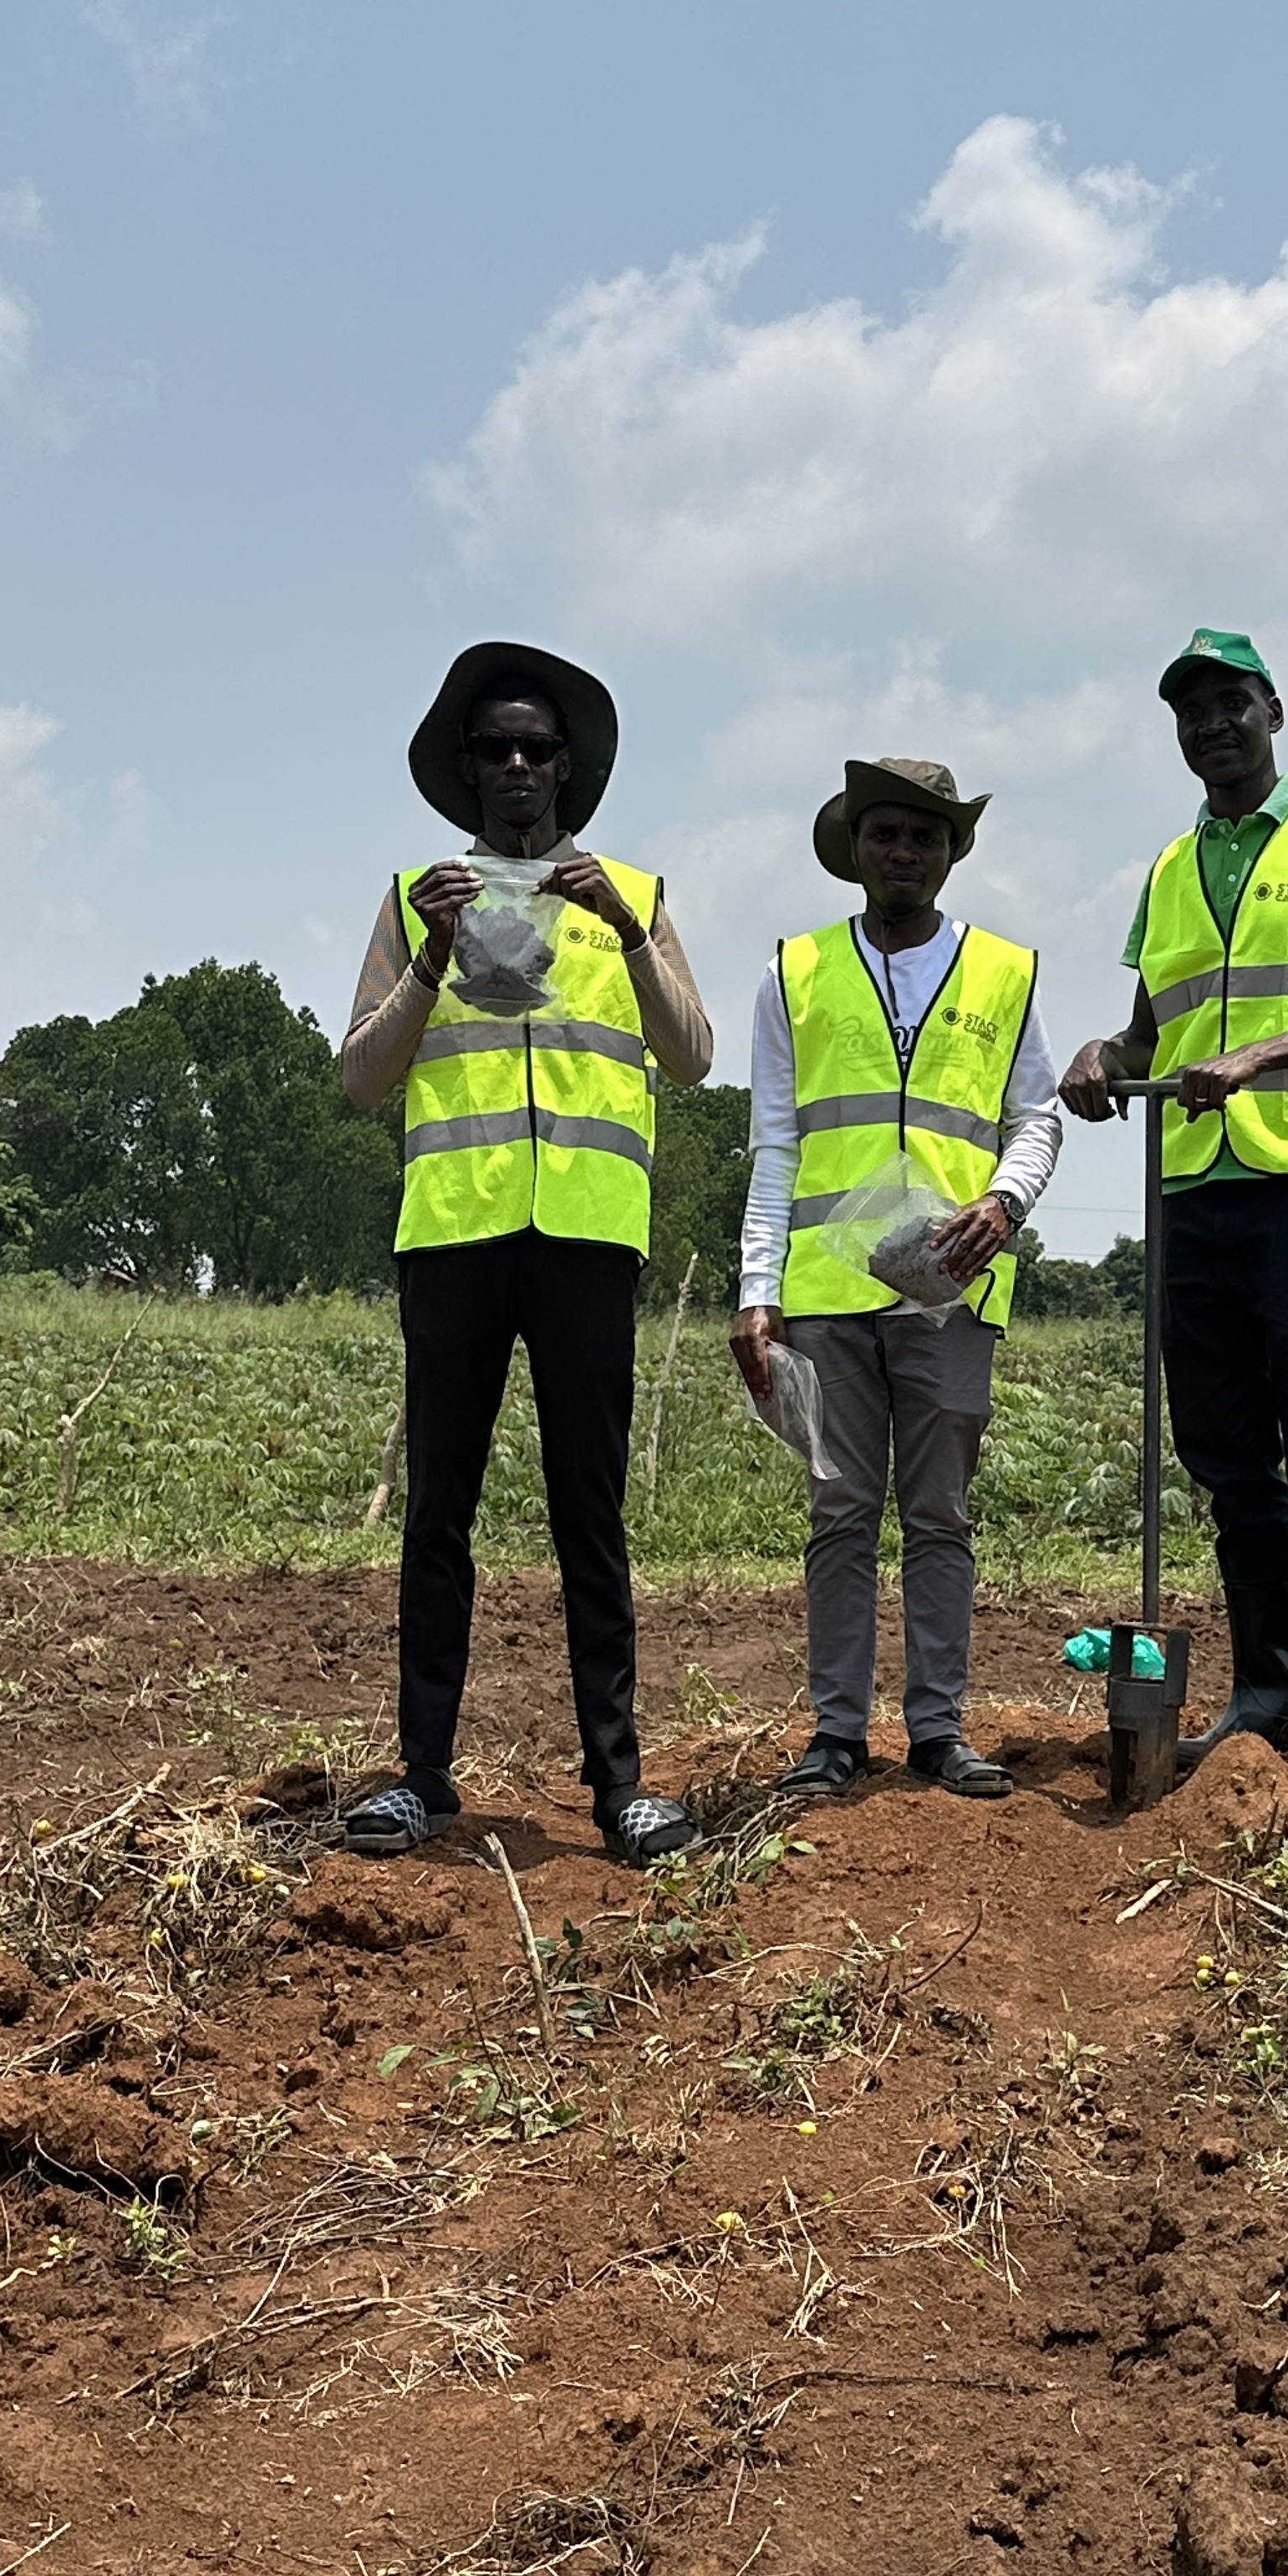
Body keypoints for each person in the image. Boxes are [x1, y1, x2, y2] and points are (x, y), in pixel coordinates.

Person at [339, 640, 713, 1864]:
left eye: (535, 748)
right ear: (466, 770)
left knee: (588, 1515)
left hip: (590, 1240)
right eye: (493, 747)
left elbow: (693, 1053)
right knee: (439, 1511)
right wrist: (435, 959)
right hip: (454, 1235)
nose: (515, 765)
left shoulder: (634, 896)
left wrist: (623, 922)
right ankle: (421, 1776)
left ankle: (619, 1786)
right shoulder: (415, 901)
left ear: (568, 768)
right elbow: (359, 1077)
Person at [1060, 630, 1288, 1812]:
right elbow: (1149, 1037)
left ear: (1274, 710)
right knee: (1224, 1459)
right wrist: (1101, 1061)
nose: (1211, 725)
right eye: (1190, 712)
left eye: (1230, 703)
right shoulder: (1169, 870)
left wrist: (1261, 1056)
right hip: (1192, 1198)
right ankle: (1271, 1689)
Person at [730, 757, 1061, 1803]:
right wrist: (756, 1287)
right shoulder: (797, 970)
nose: (904, 853)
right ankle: (835, 1734)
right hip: (827, 1291)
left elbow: (1037, 1116)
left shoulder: (1005, 972)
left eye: (924, 835)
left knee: (939, 1516)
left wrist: (1003, 1207)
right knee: (838, 1512)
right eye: (885, 835)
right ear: (856, 849)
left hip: (953, 1291)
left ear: (952, 850)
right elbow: (775, 1144)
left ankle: (937, 1730)